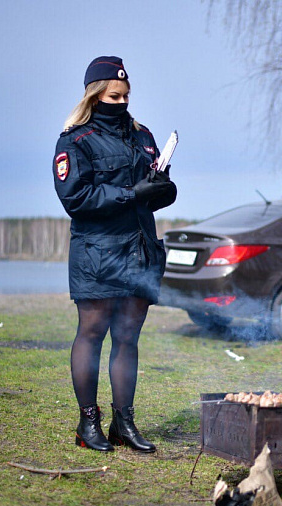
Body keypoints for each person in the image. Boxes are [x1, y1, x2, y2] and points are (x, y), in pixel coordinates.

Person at [53, 56, 177, 453]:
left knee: (127, 338)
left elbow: (154, 193)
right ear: (95, 95)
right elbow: (76, 199)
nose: (122, 102)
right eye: (113, 96)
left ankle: (124, 423)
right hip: (98, 254)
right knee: (92, 334)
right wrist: (132, 193)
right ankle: (87, 423)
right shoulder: (75, 141)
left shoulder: (143, 136)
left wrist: (163, 189)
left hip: (140, 251)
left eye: (126, 95)